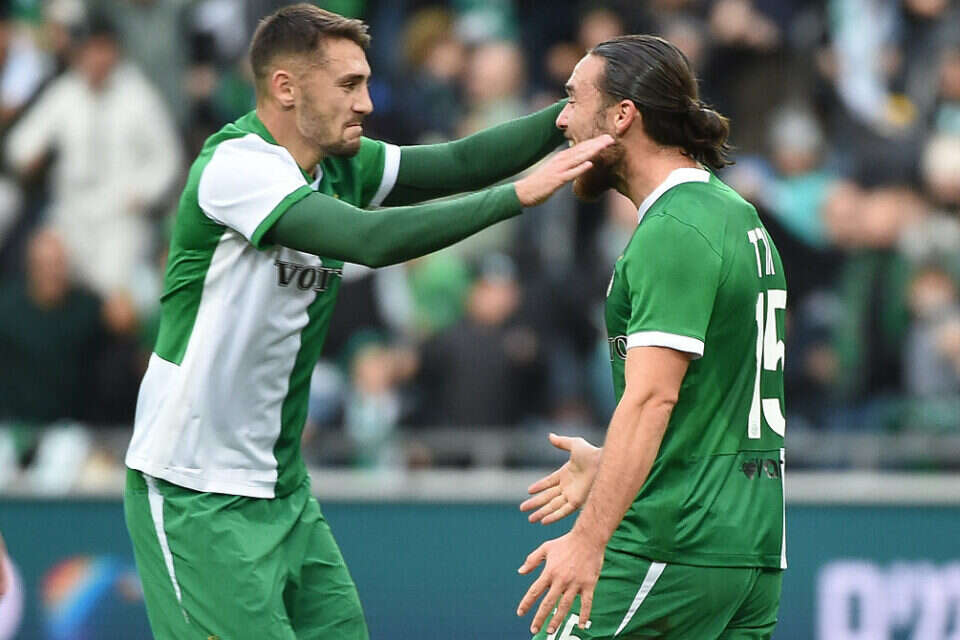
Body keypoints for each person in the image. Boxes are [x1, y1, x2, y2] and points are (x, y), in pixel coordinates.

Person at [121, 5, 612, 639]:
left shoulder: (339, 165)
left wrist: (575, 108)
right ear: (286, 88)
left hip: (280, 488)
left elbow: (460, 163)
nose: (368, 103)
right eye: (349, 85)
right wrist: (518, 194)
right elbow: (368, 239)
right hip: (194, 489)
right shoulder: (236, 167)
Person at [515, 35, 787, 639]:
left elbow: (652, 399)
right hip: (750, 548)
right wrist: (613, 460)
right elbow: (711, 395)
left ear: (622, 115)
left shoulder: (674, 228)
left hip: (673, 539)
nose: (561, 120)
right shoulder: (735, 215)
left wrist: (588, 541)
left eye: (573, 99)